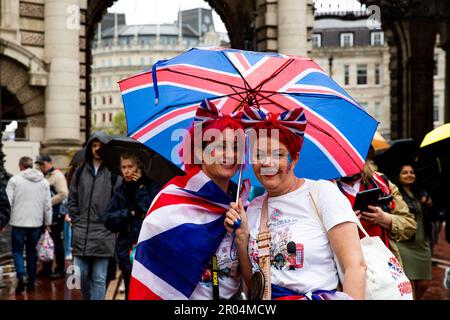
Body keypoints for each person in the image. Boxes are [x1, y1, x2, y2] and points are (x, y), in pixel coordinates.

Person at [225, 106, 366, 300]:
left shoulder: (322, 193)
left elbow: (355, 266)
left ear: (295, 159)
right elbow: (255, 286)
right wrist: (241, 238)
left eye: (279, 155)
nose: (267, 163)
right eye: (259, 155)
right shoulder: (254, 208)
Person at [129, 100, 246, 300]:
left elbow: (253, 282)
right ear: (199, 151)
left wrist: (242, 237)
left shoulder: (243, 203)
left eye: (236, 147)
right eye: (220, 146)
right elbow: (153, 267)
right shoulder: (173, 199)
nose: (229, 155)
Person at [68, 132, 121, 300]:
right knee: (79, 274)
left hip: (104, 233)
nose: (97, 149)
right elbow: (72, 197)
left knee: (99, 278)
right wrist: (76, 219)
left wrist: (109, 223)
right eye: (94, 145)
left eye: (101, 146)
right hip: (81, 230)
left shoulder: (114, 173)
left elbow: (118, 201)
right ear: (90, 147)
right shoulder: (80, 170)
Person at [336, 156, 416, 267]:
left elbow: (409, 225)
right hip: (347, 264)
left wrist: (385, 219)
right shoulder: (323, 188)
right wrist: (344, 224)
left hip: (384, 264)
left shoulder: (381, 182)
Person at [102, 153, 160, 299]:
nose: (126, 171)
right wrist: (130, 213)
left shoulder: (151, 186)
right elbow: (108, 219)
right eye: (123, 167)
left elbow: (151, 212)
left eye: (130, 166)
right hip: (126, 249)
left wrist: (140, 188)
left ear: (138, 167)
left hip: (148, 247)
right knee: (131, 291)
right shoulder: (120, 191)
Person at [6, 156, 52, 294]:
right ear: (31, 166)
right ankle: (31, 281)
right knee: (32, 251)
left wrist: (4, 220)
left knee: (17, 250)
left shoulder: (14, 180)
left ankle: (21, 274)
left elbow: (7, 202)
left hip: (18, 222)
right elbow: (47, 204)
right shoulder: (44, 182)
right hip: (36, 223)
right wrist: (47, 222)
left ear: (20, 166)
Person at [396, 163, 436, 299]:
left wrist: (429, 204)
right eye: (405, 172)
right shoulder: (396, 194)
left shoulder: (420, 192)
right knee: (409, 283)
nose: (409, 175)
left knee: (424, 283)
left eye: (411, 172)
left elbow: (433, 216)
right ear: (398, 176)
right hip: (405, 243)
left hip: (422, 242)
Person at [35, 155, 69, 279]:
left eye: (43, 164)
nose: (41, 167)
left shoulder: (57, 176)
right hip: (45, 214)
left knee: (56, 241)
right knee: (45, 241)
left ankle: (60, 269)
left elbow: (64, 193)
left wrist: (48, 201)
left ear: (49, 163)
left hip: (56, 213)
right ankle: (46, 268)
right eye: (39, 165)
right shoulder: (42, 176)